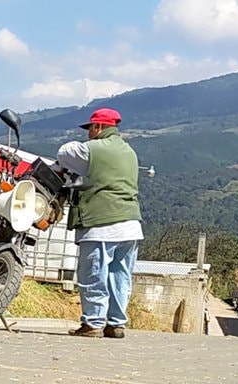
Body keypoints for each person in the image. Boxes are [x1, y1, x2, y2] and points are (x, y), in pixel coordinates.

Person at [56, 107, 143, 339]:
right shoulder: (130, 152)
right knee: (120, 276)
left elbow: (64, 153)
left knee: (93, 274)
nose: (88, 134)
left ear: (99, 127)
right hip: (131, 224)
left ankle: (93, 322)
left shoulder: (92, 150)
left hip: (101, 224)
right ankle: (116, 324)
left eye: (90, 128)